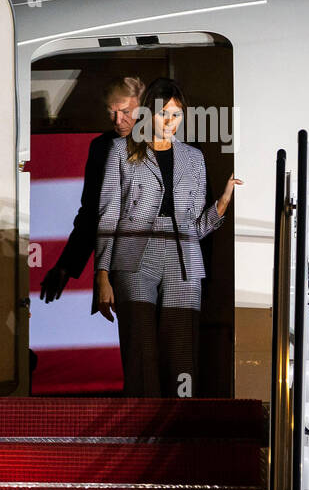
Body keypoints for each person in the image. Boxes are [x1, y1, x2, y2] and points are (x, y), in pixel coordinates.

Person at [93, 77, 241, 397]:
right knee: (140, 347)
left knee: (181, 347)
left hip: (183, 255)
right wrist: (102, 275)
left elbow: (197, 227)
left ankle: (179, 420)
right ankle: (141, 423)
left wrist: (224, 201)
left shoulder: (194, 157)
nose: (170, 122)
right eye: (164, 114)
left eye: (177, 115)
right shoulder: (121, 150)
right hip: (134, 253)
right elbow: (107, 215)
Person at [39, 76, 144, 312]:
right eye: (111, 112)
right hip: (117, 269)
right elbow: (90, 213)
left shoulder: (165, 145)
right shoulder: (101, 147)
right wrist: (66, 266)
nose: (118, 120)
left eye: (126, 111)